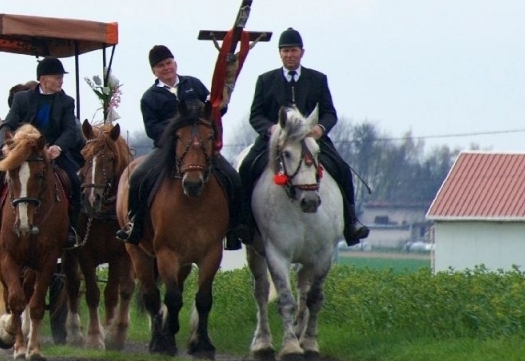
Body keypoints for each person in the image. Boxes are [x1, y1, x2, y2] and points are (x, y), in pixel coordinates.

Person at [239, 28, 369, 244]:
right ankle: (242, 223)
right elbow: (255, 115)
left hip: (310, 138)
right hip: (276, 140)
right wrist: (270, 129)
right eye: (285, 51)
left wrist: (320, 129)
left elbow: (330, 113)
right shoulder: (265, 80)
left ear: (302, 52)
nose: (289, 55)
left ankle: (351, 222)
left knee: (342, 169)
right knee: (246, 168)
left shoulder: (318, 79)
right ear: (280, 54)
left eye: (293, 50)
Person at [118, 45, 252, 250]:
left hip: (200, 148)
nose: (166, 68)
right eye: (160, 66)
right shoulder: (149, 97)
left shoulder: (193, 84)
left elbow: (212, 110)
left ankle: (236, 227)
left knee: (232, 176)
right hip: (167, 150)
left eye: (169, 63)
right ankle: (135, 225)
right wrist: (179, 130)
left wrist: (221, 105)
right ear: (154, 71)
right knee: (137, 178)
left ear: (175, 63)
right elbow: (152, 128)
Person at [0, 58, 84, 247]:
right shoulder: (22, 98)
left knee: (75, 181)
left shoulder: (67, 101)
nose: (61, 81)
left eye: (61, 77)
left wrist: (58, 147)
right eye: (57, 77)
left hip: (53, 152)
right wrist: (7, 143)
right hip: (22, 152)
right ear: (43, 79)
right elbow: (8, 124)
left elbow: (70, 130)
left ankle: (72, 229)